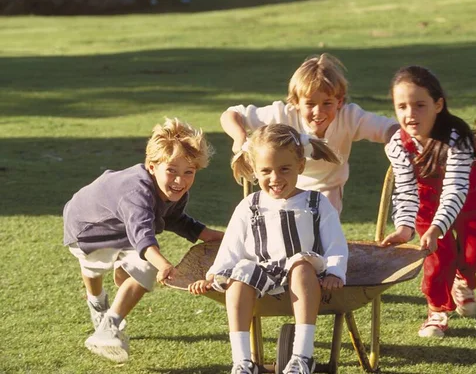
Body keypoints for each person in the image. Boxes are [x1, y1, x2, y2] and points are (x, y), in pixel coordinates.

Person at [188, 124, 348, 374]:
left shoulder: (316, 203)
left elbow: (335, 242)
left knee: (302, 267)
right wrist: (214, 275)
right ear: (254, 171)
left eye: (284, 169)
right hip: (263, 274)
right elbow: (232, 244)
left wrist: (335, 272)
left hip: (305, 274)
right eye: (266, 171)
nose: (275, 178)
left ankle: (302, 357)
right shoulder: (249, 205)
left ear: (301, 167)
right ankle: (242, 361)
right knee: (239, 278)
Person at [63, 117, 224, 362]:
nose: (180, 180)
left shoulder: (176, 191)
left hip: (125, 228)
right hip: (88, 228)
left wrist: (210, 234)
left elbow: (174, 219)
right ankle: (97, 305)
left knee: (142, 269)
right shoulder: (136, 194)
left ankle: (109, 326)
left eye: (188, 172)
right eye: (171, 171)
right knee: (95, 268)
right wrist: (165, 266)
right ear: (151, 166)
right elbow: (143, 238)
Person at [380, 66, 476, 339]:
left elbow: (455, 189)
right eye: (402, 106)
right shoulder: (397, 144)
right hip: (426, 204)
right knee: (436, 259)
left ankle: (463, 276)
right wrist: (405, 227)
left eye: (420, 105)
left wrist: (438, 227)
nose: (410, 114)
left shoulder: (458, 138)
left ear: (438, 104)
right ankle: (437, 313)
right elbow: (406, 189)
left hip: (470, 200)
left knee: (475, 255)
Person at [220, 53, 399, 214]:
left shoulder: (349, 117)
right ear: (296, 102)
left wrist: (394, 145)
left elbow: (390, 128)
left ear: (340, 101)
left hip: (328, 188)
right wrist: (240, 137)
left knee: (320, 226)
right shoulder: (283, 114)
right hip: (284, 182)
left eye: (327, 103)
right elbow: (231, 114)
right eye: (310, 104)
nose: (318, 112)